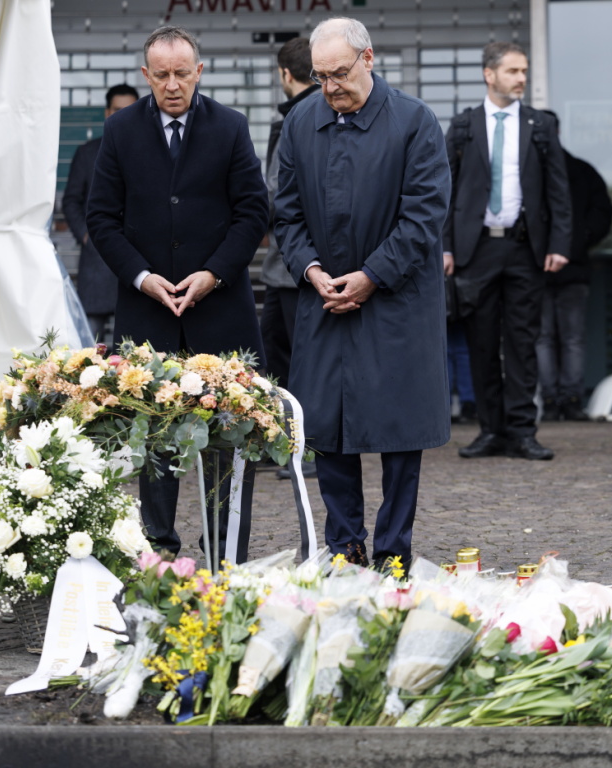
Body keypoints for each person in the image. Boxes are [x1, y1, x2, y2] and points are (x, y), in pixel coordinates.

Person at [273, 17, 450, 570]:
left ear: (368, 59)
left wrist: (373, 274)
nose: (330, 87)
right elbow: (286, 213)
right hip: (325, 298)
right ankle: (344, 548)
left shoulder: (414, 121)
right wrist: (310, 269)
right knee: (327, 427)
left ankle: (394, 551)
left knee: (400, 432)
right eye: (320, 77)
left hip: (396, 301)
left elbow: (424, 215)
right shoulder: (301, 122)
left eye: (340, 74)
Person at [87, 26, 268, 560]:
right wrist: (141, 276)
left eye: (182, 74)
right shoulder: (120, 131)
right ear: (146, 75)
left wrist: (214, 273)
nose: (172, 85)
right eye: (161, 75)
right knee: (154, 441)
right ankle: (159, 549)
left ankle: (225, 551)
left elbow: (253, 211)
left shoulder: (231, 127)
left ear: (199, 72)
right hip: (148, 314)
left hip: (222, 310)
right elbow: (101, 217)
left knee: (231, 435)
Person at [444, 42, 573, 460]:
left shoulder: (540, 125)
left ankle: (522, 431)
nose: (522, 79)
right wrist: (444, 247)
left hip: (524, 248)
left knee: (522, 341)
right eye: (513, 71)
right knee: (481, 342)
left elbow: (558, 189)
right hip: (476, 249)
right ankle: (490, 430)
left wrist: (559, 243)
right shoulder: (463, 126)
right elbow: (444, 192)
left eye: (524, 71)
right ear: (489, 74)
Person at [261, 36, 319, 481]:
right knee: (284, 357)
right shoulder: (319, 113)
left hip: (294, 265)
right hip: (292, 265)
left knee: (296, 361)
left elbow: (277, 191)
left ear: (285, 74)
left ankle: (305, 447)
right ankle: (285, 444)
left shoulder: (297, 119)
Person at [535, 110, 612, 423]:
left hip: (562, 266)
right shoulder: (578, 169)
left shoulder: (577, 171)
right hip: (554, 265)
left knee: (555, 337)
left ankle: (562, 399)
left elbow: (602, 214)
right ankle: (562, 399)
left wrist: (574, 242)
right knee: (563, 337)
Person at [62, 83, 139, 346]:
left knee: (134, 349)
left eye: (129, 110)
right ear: (107, 113)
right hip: (97, 262)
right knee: (89, 346)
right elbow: (71, 201)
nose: (123, 116)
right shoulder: (87, 152)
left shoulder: (151, 151)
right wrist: (86, 236)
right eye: (117, 110)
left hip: (138, 261)